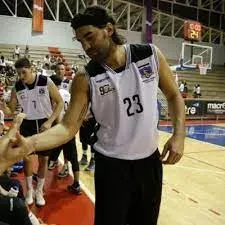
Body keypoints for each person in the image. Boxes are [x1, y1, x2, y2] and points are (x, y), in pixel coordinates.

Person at [3, 6, 185, 225]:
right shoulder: (85, 77)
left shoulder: (150, 55)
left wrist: (179, 135)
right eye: (80, 41)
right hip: (112, 167)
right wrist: (29, 144)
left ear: (109, 29)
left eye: (89, 37)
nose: (86, 46)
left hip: (149, 163)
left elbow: (174, 95)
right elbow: (68, 127)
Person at [0, 58, 63, 206]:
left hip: (44, 124)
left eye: (24, 72)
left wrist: (49, 122)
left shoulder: (46, 81)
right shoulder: (17, 86)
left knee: (44, 160)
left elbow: (60, 103)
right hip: (27, 124)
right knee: (27, 159)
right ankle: (29, 190)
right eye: (19, 73)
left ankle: (39, 191)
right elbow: (10, 111)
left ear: (31, 68)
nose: (22, 76)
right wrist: (4, 106)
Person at [48, 75, 81, 194]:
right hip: (70, 128)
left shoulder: (54, 95)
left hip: (60, 129)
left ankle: (51, 165)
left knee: (49, 153)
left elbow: (56, 113)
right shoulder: (68, 93)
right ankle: (77, 183)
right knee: (73, 157)